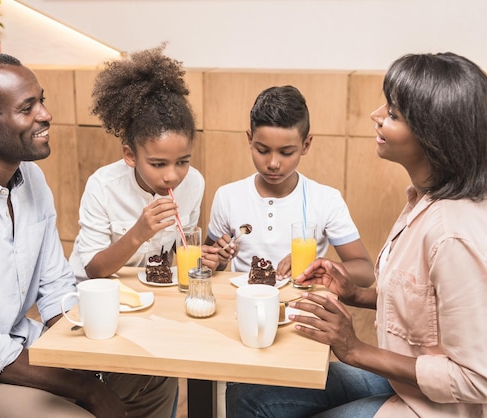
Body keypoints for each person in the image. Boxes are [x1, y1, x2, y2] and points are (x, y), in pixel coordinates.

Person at [0, 53, 177, 418]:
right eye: (28, 108)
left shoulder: (31, 180)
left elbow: (55, 286)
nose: (45, 114)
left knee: (152, 377)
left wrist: (96, 349)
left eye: (42, 100)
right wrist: (86, 387)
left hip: (20, 348)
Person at [226, 52, 487, 417]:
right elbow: (426, 309)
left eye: (393, 114)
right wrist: (355, 293)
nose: (376, 116)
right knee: (248, 395)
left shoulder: (453, 234)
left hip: (440, 407)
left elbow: (477, 379)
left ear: (434, 135)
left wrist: (355, 349)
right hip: (408, 383)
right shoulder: (421, 202)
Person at [69, 44, 219, 282]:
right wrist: (139, 233)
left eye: (182, 162)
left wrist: (201, 255)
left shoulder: (194, 183)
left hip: (152, 289)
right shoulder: (103, 186)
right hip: (97, 290)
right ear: (130, 155)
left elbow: (180, 245)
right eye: (158, 164)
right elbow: (93, 269)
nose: (172, 176)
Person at [205, 85, 374, 286]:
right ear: (250, 140)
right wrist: (219, 260)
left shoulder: (326, 200)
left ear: (306, 145)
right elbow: (209, 262)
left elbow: (365, 273)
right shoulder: (228, 197)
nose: (273, 163)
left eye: (286, 153)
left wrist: (318, 265)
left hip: (302, 310)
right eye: (262, 150)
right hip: (243, 307)